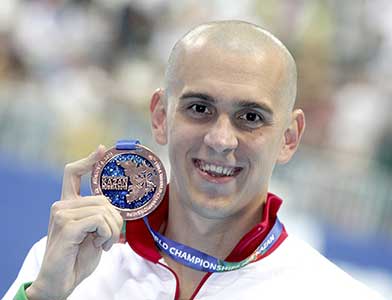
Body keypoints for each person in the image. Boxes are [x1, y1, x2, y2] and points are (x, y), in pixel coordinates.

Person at [4, 20, 384, 300]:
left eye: (250, 117)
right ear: (160, 117)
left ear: (289, 137)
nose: (220, 139)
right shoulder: (64, 263)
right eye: (200, 108)